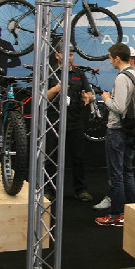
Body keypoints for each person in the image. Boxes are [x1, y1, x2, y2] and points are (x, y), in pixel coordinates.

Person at [95, 43, 135, 227]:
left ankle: (117, 215)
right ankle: (133, 213)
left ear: (117, 58)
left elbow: (119, 107)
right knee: (127, 172)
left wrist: (106, 99)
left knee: (116, 175)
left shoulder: (122, 78)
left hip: (117, 130)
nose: (110, 61)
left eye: (110, 58)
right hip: (134, 130)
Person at [45, 42, 94, 202]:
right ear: (57, 55)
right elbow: (41, 97)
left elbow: (90, 95)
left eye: (71, 55)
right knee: (51, 156)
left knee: (78, 157)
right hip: (54, 120)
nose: (69, 57)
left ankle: (81, 190)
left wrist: (87, 97)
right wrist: (55, 89)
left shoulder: (79, 74)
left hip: (75, 119)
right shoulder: (49, 72)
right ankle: (49, 190)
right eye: (65, 54)